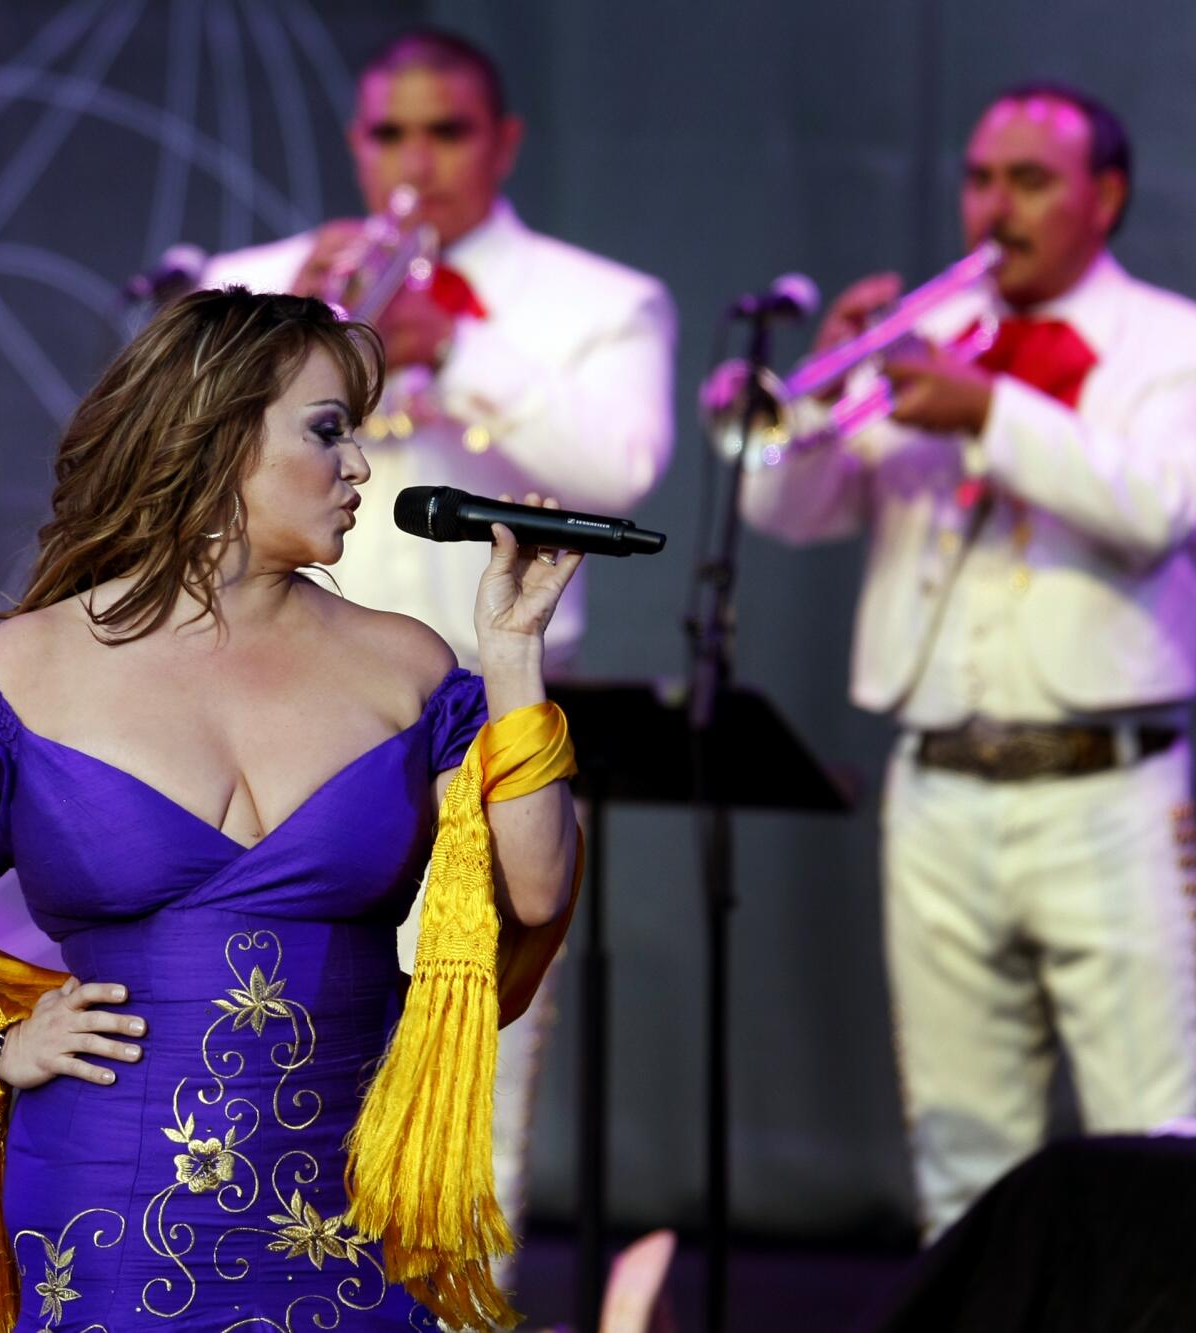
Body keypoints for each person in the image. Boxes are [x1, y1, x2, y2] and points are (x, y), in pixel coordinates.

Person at [0, 288, 581, 1329]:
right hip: (105, 1189)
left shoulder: (407, 663)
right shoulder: (30, 664)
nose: (359, 468)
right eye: (327, 431)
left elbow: (539, 883)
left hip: (347, 1192)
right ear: (214, 435)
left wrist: (513, 657)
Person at [201, 25, 674, 1236]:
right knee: (254, 1089)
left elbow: (619, 468)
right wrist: (289, 328)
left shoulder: (594, 303)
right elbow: (181, 475)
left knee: (463, 1110)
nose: (416, 160)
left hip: (473, 744)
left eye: (447, 130)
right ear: (357, 143)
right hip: (262, 735)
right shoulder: (254, 279)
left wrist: (453, 347)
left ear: (502, 141)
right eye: (390, 133)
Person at [741, 82, 1196, 1239]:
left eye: (1030, 180)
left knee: (1157, 1134)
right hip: (936, 784)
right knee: (956, 1141)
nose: (995, 207)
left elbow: (1156, 504)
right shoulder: (928, 342)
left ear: (1106, 195)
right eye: (980, 178)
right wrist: (827, 393)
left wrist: (989, 410)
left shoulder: (1171, 343)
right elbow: (789, 510)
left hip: (1110, 792)